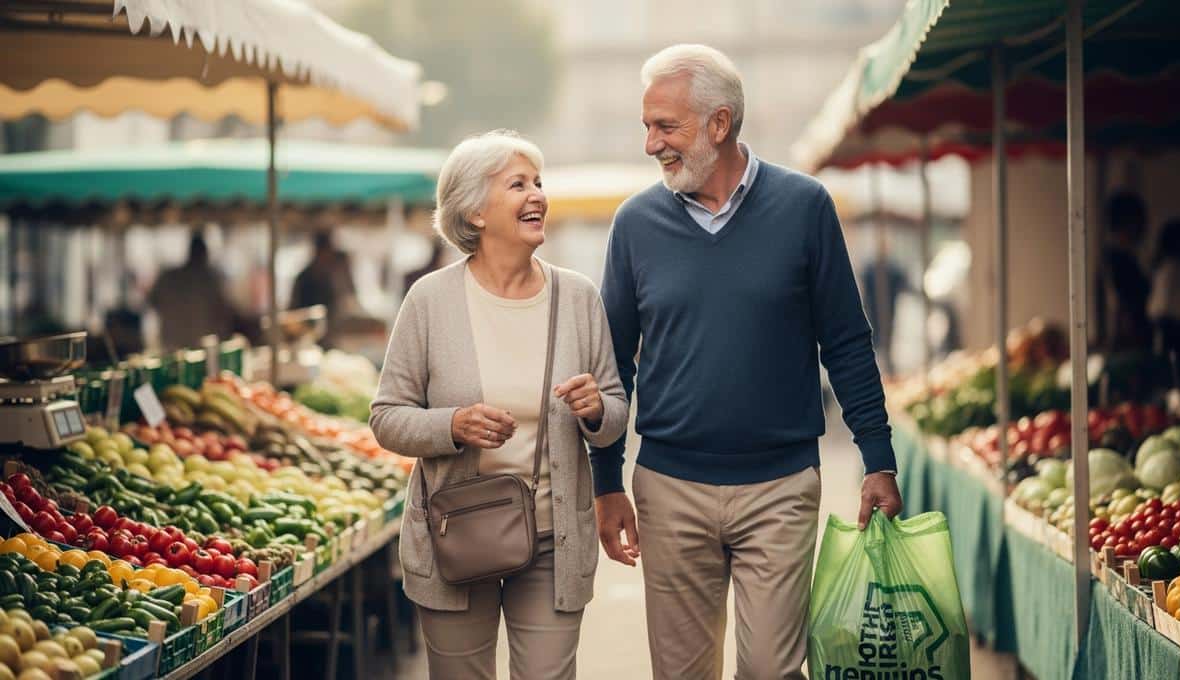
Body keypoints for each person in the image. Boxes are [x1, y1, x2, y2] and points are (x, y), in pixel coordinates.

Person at [590, 44, 904, 679]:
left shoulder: (805, 207)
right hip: (670, 488)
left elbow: (845, 341)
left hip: (780, 488)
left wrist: (878, 459)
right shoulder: (634, 225)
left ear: (719, 124)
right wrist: (605, 482)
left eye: (665, 126)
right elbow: (611, 364)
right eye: (646, 125)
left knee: (772, 671)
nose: (650, 143)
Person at [369, 130, 629, 680]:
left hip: (553, 539)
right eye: (518, 184)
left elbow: (614, 414)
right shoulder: (431, 300)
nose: (537, 194)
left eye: (538, 182)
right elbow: (387, 417)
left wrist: (595, 411)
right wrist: (453, 425)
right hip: (456, 534)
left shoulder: (578, 297)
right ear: (475, 211)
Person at [147, 231, 235, 351]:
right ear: (204, 254)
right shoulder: (210, 280)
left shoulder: (169, 276)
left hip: (173, 344)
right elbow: (223, 311)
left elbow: (152, 301)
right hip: (198, 347)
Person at [1097, 191, 1152, 351]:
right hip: (1127, 343)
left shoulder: (1124, 258)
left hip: (1125, 340)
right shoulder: (1118, 261)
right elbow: (1122, 304)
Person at [1147, 217, 1180, 371]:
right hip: (1176, 335)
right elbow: (1160, 310)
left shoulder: (1170, 270)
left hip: (1175, 334)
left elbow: (1155, 310)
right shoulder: (1173, 271)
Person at [289, 231, 359, 340]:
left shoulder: (330, 276)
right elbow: (294, 312)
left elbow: (347, 299)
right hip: (306, 336)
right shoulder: (304, 278)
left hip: (330, 335)